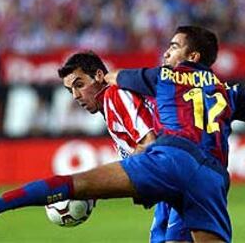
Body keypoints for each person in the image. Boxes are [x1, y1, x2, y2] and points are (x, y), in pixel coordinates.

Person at [0, 26, 245, 243]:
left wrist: (105, 82)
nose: (165, 51)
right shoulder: (232, 92)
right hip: (214, 179)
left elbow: (114, 81)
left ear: (191, 56)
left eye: (172, 45)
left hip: (169, 159)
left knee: (72, 185)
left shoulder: (154, 77)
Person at [57, 51, 191, 242]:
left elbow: (148, 142)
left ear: (98, 76)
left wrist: (99, 186)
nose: (76, 96)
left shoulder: (114, 95)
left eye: (79, 85)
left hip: (182, 177)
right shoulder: (109, 107)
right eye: (70, 90)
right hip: (170, 185)